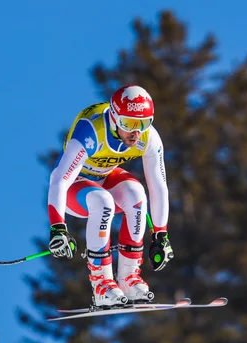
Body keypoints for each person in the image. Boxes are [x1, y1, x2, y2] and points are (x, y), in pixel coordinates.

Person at [47, 84, 174, 308]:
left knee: (137, 194)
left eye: (143, 124)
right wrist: (58, 228)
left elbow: (159, 185)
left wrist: (160, 235)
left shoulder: (148, 138)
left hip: (105, 177)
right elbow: (59, 179)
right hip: (74, 187)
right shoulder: (92, 130)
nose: (136, 133)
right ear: (114, 118)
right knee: (102, 201)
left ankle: (128, 278)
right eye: (129, 124)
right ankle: (101, 283)